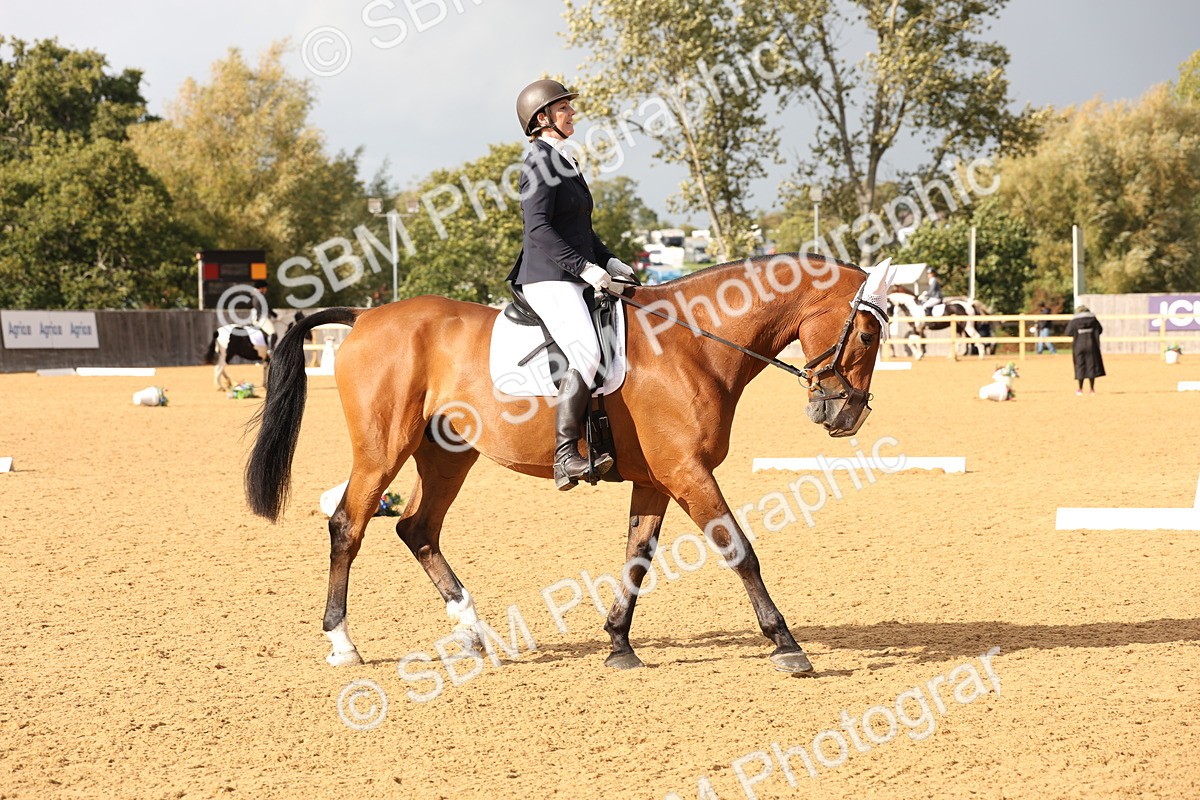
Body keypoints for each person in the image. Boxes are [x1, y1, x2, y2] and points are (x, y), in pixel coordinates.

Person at [507, 79, 638, 490]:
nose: (573, 114)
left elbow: (580, 229)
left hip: (573, 273)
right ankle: (566, 455)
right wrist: (586, 269)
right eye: (565, 109)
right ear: (543, 118)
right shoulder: (537, 164)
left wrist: (608, 259)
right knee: (585, 352)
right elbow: (540, 230)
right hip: (548, 278)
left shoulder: (564, 161)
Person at [1066, 305, 1105, 395]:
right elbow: (1100, 330)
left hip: (1079, 346)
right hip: (1092, 345)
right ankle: (1092, 389)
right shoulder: (1093, 319)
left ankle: (1080, 389)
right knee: (1091, 366)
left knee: (1080, 366)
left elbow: (1068, 332)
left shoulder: (1074, 320)